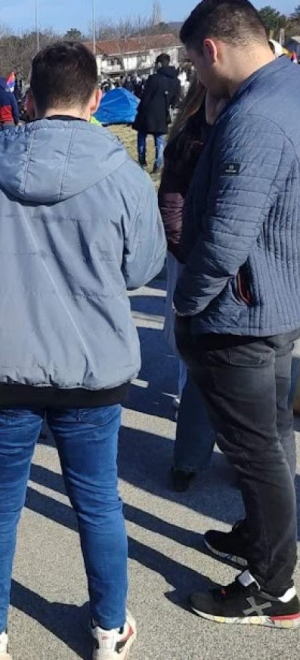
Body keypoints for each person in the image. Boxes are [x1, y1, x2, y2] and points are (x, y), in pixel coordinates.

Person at [0, 42, 164, 659]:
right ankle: (110, 628)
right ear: (94, 100)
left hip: (0, 367)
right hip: (92, 367)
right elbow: (142, 268)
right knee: (97, 500)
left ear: (27, 99)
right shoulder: (125, 176)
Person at [174, 0, 300, 628]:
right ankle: (263, 538)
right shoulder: (290, 88)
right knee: (272, 438)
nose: (196, 77)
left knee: (255, 450)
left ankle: (273, 586)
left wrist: (186, 300)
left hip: (240, 315)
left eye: (194, 63)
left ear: (213, 50)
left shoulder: (256, 115)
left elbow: (226, 236)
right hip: (274, 300)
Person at [157, 80, 222, 492]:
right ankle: (189, 458)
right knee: (197, 358)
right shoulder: (191, 137)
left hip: (241, 267)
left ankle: (251, 463)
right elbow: (172, 201)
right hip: (199, 258)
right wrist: (186, 252)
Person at [132, 53, 182, 173]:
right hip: (163, 114)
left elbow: (146, 97)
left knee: (142, 136)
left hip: (147, 113)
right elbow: (176, 100)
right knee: (159, 141)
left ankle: (142, 161)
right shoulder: (176, 81)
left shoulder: (153, 78)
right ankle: (158, 164)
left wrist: (139, 111)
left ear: (158, 64)